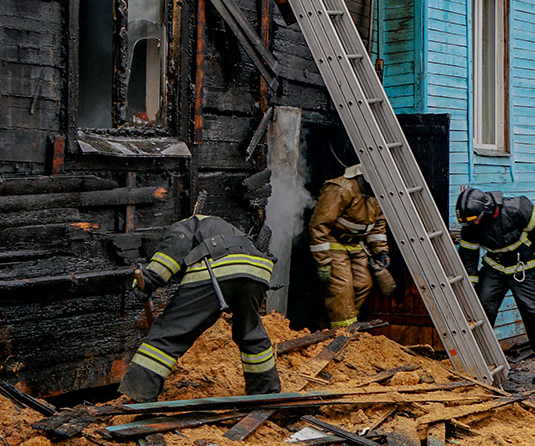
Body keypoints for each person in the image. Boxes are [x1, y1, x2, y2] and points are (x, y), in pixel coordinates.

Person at [118, 214, 279, 401]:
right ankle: (265, 392)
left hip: (219, 267)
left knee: (170, 333)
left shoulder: (184, 225)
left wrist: (148, 281)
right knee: (250, 333)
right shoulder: (221, 225)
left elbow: (171, 254)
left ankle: (140, 394)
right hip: (258, 271)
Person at [456, 187, 535, 383]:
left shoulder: (517, 208)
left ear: (486, 211)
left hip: (525, 266)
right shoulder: (471, 224)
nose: (474, 225)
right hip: (494, 267)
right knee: (481, 308)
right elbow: (468, 256)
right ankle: (480, 362)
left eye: (475, 220)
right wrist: (470, 286)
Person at [308, 164, 395, 330]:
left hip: (357, 245)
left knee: (363, 284)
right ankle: (343, 333)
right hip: (334, 244)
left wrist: (381, 250)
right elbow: (318, 225)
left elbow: (378, 225)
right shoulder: (340, 189)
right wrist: (323, 261)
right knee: (342, 289)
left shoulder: (375, 194)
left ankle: (330, 326)